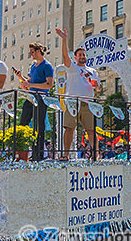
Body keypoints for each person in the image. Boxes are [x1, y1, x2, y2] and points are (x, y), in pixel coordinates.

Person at [56, 28, 102, 161]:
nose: (82, 56)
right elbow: (65, 56)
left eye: (84, 54)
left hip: (88, 103)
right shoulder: (72, 67)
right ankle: (65, 154)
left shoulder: (92, 71)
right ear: (75, 57)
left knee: (91, 131)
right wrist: (64, 39)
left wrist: (97, 86)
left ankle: (96, 155)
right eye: (79, 54)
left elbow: (98, 89)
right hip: (73, 102)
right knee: (69, 129)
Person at [16, 42, 54, 161]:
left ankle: (39, 155)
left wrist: (30, 84)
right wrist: (21, 79)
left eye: (32, 52)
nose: (30, 54)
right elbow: (30, 83)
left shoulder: (47, 66)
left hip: (41, 98)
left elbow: (49, 84)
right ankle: (23, 153)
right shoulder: (33, 66)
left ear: (38, 51)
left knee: (39, 126)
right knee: (23, 124)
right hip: (31, 97)